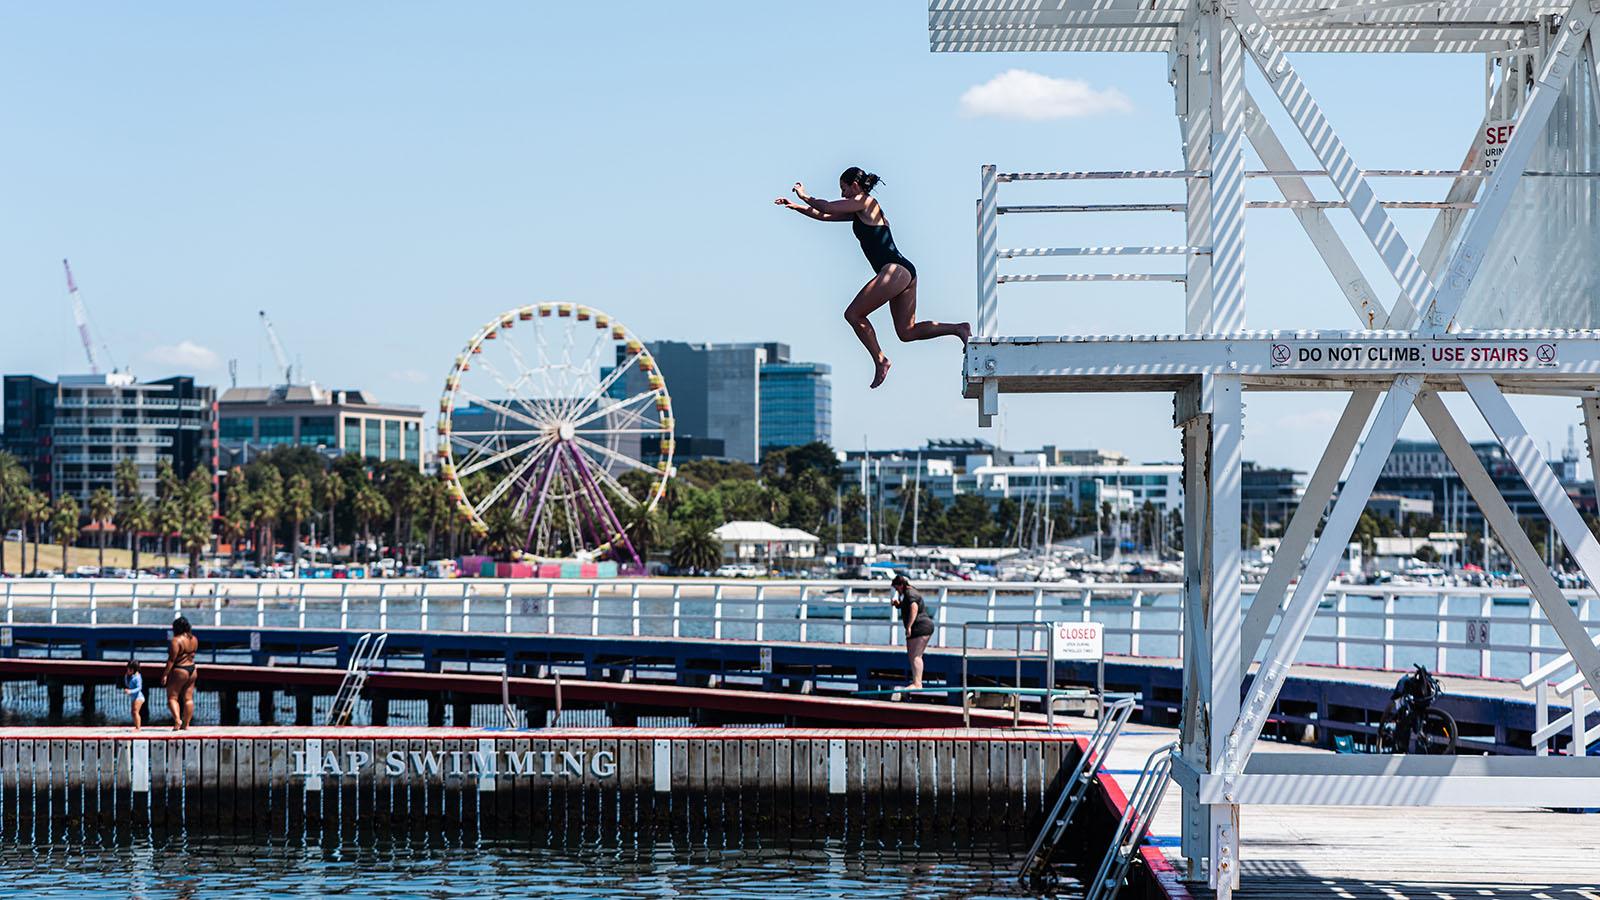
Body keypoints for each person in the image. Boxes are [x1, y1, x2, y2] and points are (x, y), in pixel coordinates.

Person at [775, 167, 970, 388]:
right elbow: (824, 215)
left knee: (853, 314)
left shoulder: (865, 202)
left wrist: (803, 195)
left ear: (854, 186)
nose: (842, 194)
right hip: (903, 272)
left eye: (844, 189)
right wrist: (796, 206)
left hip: (894, 270)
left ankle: (880, 360)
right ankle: (959, 329)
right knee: (906, 332)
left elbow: (826, 206)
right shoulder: (860, 210)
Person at [890, 574, 935, 689]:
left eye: (897, 588)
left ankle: (917, 683)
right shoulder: (908, 592)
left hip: (920, 626)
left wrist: (909, 626)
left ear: (901, 585)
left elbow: (914, 608)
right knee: (913, 656)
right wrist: (898, 605)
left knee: (916, 656)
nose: (897, 591)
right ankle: (917, 681)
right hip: (921, 626)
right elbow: (907, 605)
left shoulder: (910, 593)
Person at [160, 616, 199, 731]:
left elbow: (171, 660)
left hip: (180, 669)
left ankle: (177, 720)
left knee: (172, 697)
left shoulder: (176, 640)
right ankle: (186, 724)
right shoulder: (194, 639)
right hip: (192, 669)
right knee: (188, 698)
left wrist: (165, 674)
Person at [123, 660, 145, 731]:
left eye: (130, 669)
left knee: (135, 712)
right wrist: (126, 676)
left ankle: (138, 728)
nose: (128, 670)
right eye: (128, 669)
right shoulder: (130, 676)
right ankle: (136, 727)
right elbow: (127, 684)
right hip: (134, 697)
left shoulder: (137, 677)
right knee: (133, 712)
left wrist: (130, 691)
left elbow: (139, 688)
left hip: (138, 697)